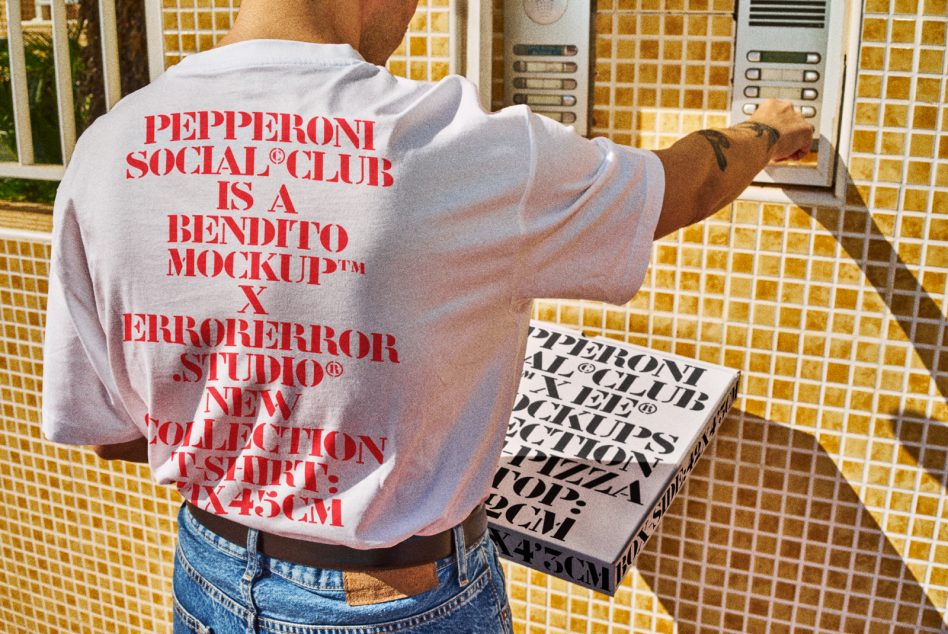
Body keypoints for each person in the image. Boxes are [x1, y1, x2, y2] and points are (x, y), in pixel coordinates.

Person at [40, 1, 814, 632]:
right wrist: (768, 131)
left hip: (207, 575)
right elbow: (679, 190)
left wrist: (263, 443)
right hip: (396, 599)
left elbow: (112, 437)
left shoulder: (107, 152)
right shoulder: (463, 148)